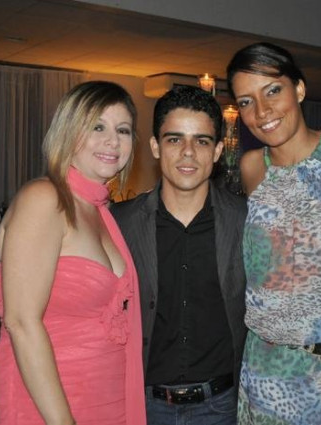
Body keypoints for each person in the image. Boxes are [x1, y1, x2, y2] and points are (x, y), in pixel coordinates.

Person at [0, 81, 146, 424]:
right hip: (49, 403)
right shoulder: (44, 198)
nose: (112, 141)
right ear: (69, 131)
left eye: (122, 130)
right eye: (97, 127)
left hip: (107, 397)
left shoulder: (102, 211)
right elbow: (21, 322)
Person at [226, 42, 321, 425]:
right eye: (246, 101)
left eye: (272, 90)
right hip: (263, 370)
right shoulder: (252, 167)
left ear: (299, 89)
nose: (262, 111)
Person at [110, 85, 247, 425]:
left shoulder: (246, 220)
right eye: (174, 139)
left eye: (201, 141)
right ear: (155, 147)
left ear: (218, 151)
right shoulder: (120, 222)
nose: (188, 152)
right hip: (142, 405)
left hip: (222, 406)